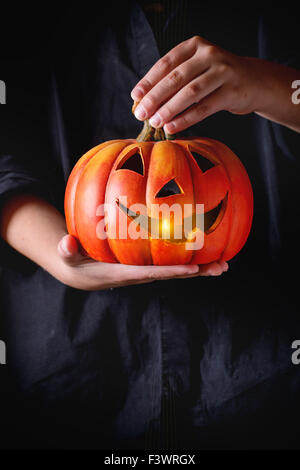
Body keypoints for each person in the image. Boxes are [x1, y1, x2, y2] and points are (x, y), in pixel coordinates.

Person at [0, 1, 299, 450]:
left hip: (260, 377)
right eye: (133, 171)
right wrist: (59, 258)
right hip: (74, 371)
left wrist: (265, 84)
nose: (166, 196)